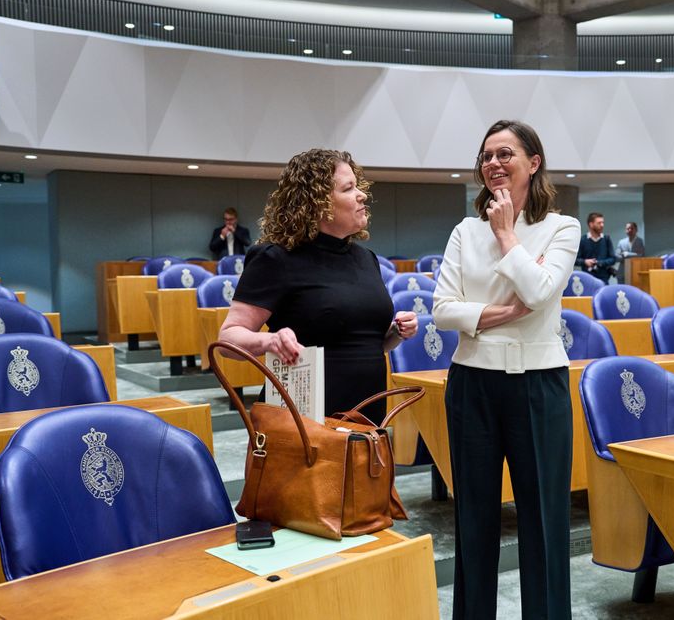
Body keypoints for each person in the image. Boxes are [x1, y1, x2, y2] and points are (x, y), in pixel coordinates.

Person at [434, 120, 579, 619]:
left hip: (539, 385)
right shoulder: (462, 230)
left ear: (532, 163)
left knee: (543, 521)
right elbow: (442, 310)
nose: (493, 163)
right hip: (472, 383)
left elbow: (540, 293)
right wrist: (498, 315)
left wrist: (505, 234)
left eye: (505, 154)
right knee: (473, 520)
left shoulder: (561, 227)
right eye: (486, 156)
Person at [217, 149, 417, 424]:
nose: (362, 195)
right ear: (317, 202)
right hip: (301, 423)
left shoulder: (366, 259)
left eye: (358, 186)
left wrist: (396, 332)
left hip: (365, 419)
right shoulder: (276, 258)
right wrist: (269, 341)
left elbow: (365, 343)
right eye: (348, 189)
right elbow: (228, 341)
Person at [574, 212, 615, 284]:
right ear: (591, 224)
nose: (602, 225)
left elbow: (613, 259)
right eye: (599, 223)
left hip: (604, 279)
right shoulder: (583, 240)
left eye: (603, 222)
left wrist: (599, 263)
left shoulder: (606, 239)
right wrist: (585, 262)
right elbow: (575, 259)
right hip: (587, 279)